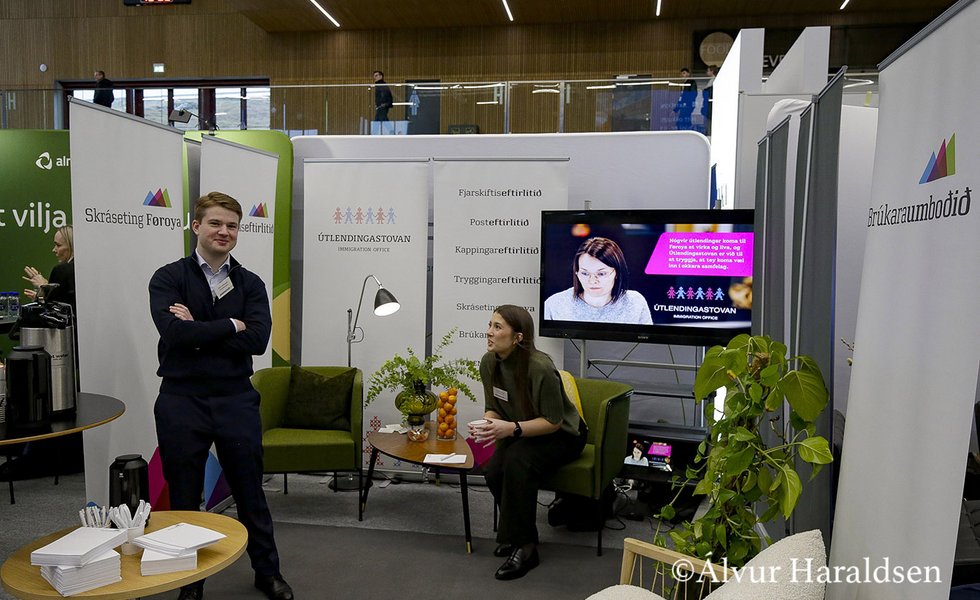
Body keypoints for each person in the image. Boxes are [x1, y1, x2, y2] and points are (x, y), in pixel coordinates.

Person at [148, 192, 293, 600]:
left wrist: (199, 327)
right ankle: (189, 584)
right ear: (197, 226)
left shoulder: (251, 283)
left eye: (231, 225)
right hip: (181, 399)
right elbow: (175, 334)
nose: (223, 231)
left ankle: (267, 572)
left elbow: (258, 340)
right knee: (184, 498)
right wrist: (231, 324)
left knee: (250, 491)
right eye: (215, 223)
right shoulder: (168, 278)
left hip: (235, 398)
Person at [469, 305, 588, 580]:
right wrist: (487, 425)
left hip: (564, 434)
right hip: (520, 430)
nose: (489, 332)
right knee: (492, 469)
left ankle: (526, 548)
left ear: (518, 337)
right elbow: (493, 407)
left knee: (517, 460)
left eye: (497, 327)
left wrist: (511, 428)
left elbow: (554, 421)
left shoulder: (540, 367)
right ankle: (516, 534)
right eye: (489, 325)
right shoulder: (489, 363)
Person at [543, 237, 652, 324]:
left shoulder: (635, 303)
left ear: (617, 273)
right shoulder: (555, 304)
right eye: (585, 273)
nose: (592, 281)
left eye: (601, 274)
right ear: (577, 273)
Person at [23, 225, 76, 311]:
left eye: (58, 245)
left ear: (72, 246)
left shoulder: (61, 270)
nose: (54, 250)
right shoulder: (91, 269)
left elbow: (54, 311)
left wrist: (45, 287)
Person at [701, 65, 718, 135]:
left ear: (712, 71)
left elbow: (708, 93)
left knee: (709, 122)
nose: (706, 72)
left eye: (708, 71)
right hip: (709, 105)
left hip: (710, 106)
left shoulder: (714, 81)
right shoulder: (711, 81)